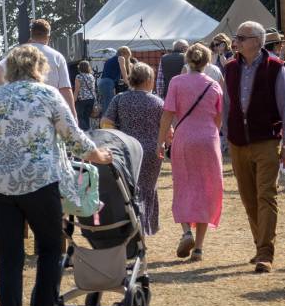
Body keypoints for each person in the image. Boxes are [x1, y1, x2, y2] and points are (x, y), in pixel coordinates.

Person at [0, 44, 108, 306]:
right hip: (38, 181)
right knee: (51, 248)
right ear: (40, 67)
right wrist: (97, 154)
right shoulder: (48, 94)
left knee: (9, 258)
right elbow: (72, 135)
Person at [222, 20, 285, 272]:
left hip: (267, 140)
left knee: (266, 195)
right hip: (238, 142)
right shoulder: (229, 68)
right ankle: (259, 244)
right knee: (248, 198)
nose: (236, 41)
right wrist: (225, 137)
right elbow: (227, 106)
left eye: (241, 38)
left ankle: (266, 252)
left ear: (255, 41)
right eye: (236, 38)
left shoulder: (276, 67)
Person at [160, 47, 224, 256]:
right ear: (208, 61)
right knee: (206, 189)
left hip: (184, 138)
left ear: (187, 60)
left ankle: (187, 231)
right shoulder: (214, 85)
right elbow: (218, 119)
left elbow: (168, 115)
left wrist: (160, 142)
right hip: (208, 139)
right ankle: (199, 247)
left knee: (184, 185)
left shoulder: (176, 82)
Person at [106, 61, 167, 241]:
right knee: (147, 190)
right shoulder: (157, 102)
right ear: (149, 79)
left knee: (127, 191)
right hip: (151, 153)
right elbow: (167, 129)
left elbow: (106, 122)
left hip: (126, 152)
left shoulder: (119, 99)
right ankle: (144, 227)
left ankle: (129, 228)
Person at [0, 20, 74, 109]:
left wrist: (5, 90)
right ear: (48, 37)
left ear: (31, 34)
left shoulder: (19, 53)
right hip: (50, 109)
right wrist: (73, 116)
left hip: (23, 109)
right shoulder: (57, 57)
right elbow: (65, 90)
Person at [72, 59, 98, 131]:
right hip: (91, 99)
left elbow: (77, 90)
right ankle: (88, 131)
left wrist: (73, 100)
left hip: (82, 99)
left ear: (80, 67)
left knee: (80, 117)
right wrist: (95, 102)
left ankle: (85, 131)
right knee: (86, 116)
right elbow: (93, 89)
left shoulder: (78, 76)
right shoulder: (91, 76)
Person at [96, 48, 122, 116]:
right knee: (108, 104)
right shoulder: (117, 59)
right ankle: (106, 123)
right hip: (108, 83)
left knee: (105, 104)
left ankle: (103, 123)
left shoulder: (108, 62)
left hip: (103, 83)